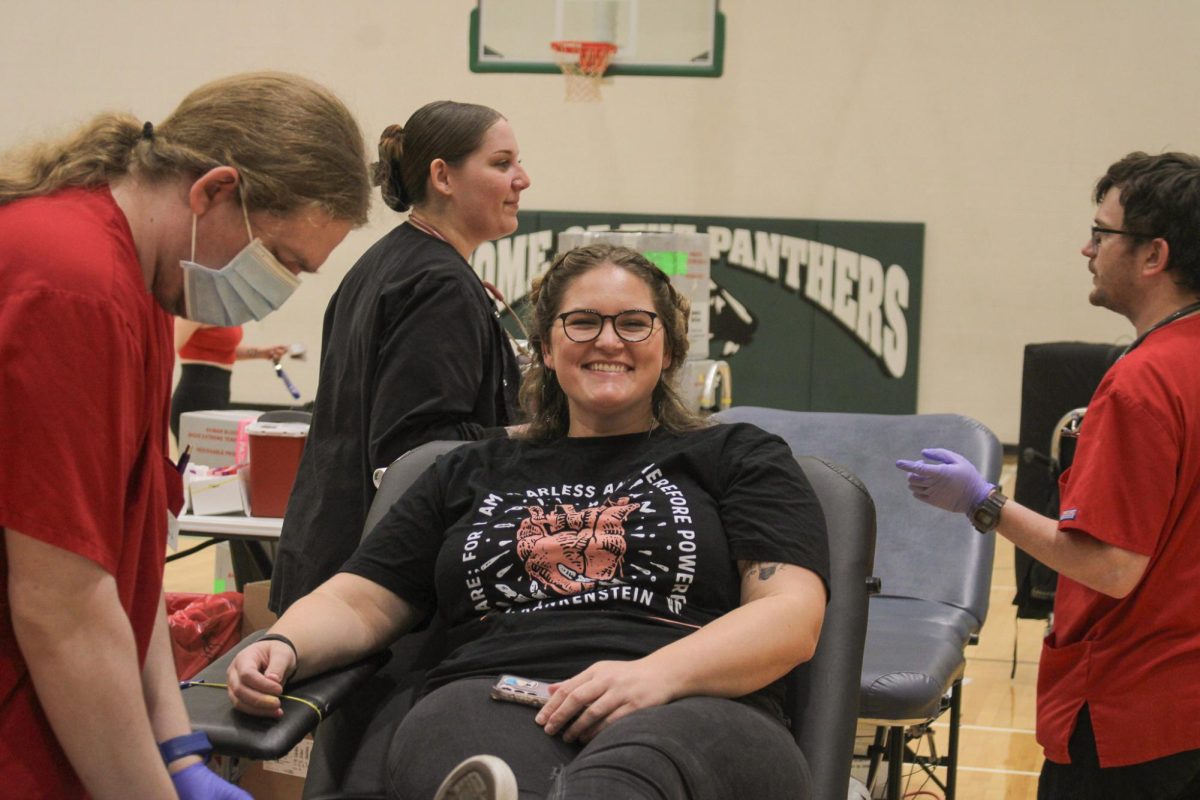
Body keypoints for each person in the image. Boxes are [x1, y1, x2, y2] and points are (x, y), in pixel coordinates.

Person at [228, 244, 831, 800]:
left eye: (633, 323)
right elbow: (361, 601)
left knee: (626, 777)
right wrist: (282, 642)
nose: (609, 341)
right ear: (546, 346)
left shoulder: (740, 457)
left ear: (668, 347)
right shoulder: (467, 470)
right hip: (494, 692)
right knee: (489, 768)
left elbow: (789, 615)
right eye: (583, 321)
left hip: (693, 699)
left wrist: (655, 676)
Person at [0, 72, 371, 799]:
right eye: (284, 261)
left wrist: (177, 752)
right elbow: (63, 606)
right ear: (212, 192)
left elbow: (123, 564)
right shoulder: (72, 285)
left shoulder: (137, 288)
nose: (277, 292)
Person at [895, 153, 1200, 799]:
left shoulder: (1143, 383)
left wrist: (984, 503)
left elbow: (1112, 567)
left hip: (1133, 713)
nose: (1086, 248)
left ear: (1154, 256)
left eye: (1103, 232)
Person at [269, 100, 529, 614]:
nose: (522, 179)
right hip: (370, 587)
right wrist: (539, 435)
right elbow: (417, 452)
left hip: (331, 559)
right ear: (443, 177)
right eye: (502, 163)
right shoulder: (437, 283)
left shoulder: (390, 261)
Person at [170, 321, 289, 443]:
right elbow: (169, 348)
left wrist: (262, 353)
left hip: (218, 396)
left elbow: (225, 350)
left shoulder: (221, 312)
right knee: (196, 457)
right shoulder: (194, 312)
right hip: (195, 397)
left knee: (215, 458)